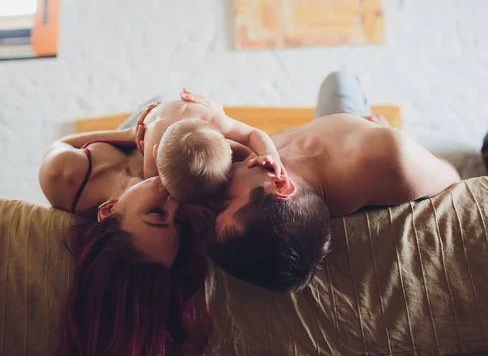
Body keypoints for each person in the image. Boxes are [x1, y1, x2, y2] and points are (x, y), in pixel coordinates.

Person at [182, 71, 461, 293]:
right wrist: (396, 139)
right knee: (340, 78)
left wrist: (215, 118)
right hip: (350, 127)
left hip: (318, 139)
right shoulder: (389, 157)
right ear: (281, 186)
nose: (217, 195)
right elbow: (453, 178)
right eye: (227, 203)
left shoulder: (257, 175)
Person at [39, 103, 213, 355]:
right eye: (178, 222)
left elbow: (60, 144)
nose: (175, 202)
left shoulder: (68, 177)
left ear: (108, 211)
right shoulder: (185, 200)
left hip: (129, 128)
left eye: (157, 214)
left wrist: (130, 135)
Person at [135, 90, 284, 203]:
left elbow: (253, 134)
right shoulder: (151, 165)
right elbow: (153, 186)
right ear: (155, 154)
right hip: (154, 116)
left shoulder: (214, 118)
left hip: (184, 108)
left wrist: (269, 153)